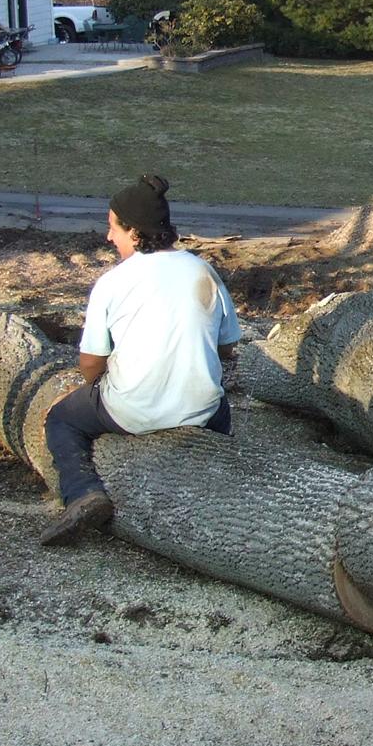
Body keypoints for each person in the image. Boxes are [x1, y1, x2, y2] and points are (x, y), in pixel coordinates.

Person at [41, 174, 241, 547]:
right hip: (200, 410)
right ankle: (221, 470)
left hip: (131, 411)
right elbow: (227, 347)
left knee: (61, 419)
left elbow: (91, 362)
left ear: (134, 233)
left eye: (113, 228)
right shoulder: (203, 272)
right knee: (220, 404)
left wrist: (99, 384)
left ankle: (83, 492)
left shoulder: (112, 283)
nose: (108, 237)